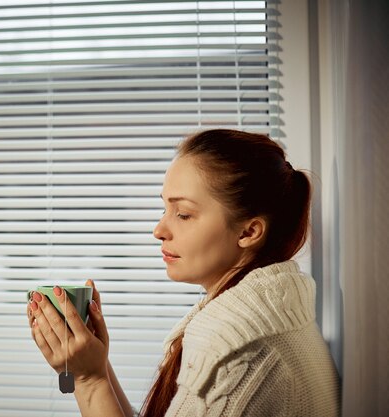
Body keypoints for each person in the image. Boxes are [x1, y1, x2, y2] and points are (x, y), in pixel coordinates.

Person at [26, 129, 341, 416]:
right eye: (165, 209)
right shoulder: (260, 319)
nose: (159, 230)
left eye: (184, 214)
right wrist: (99, 365)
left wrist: (87, 379)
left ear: (248, 232)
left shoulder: (237, 355)